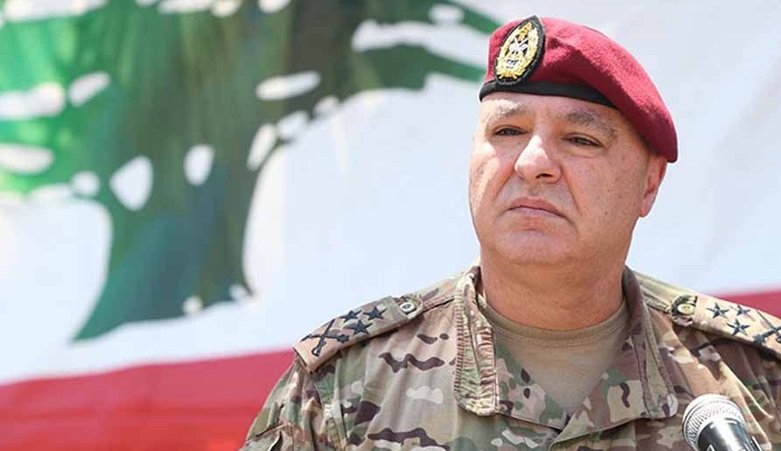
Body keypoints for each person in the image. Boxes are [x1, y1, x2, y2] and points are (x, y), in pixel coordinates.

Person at [240, 16, 781, 450]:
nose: (532, 163)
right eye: (507, 131)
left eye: (580, 140)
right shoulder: (345, 389)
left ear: (648, 185)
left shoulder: (754, 378)